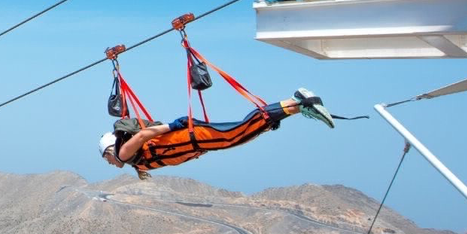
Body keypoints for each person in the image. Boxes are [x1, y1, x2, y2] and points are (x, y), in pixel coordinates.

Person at [99, 87, 334, 180]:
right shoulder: (136, 162)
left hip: (191, 137)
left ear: (111, 149)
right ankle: (295, 108)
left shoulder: (123, 154)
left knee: (238, 133)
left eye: (106, 157)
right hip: (195, 142)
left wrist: (172, 126)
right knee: (241, 135)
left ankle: (296, 101)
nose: (110, 162)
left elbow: (142, 136)